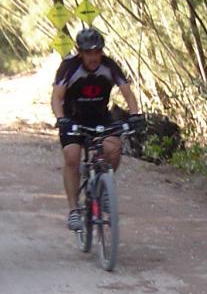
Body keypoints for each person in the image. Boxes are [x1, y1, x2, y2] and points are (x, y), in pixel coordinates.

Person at [51, 27, 144, 231]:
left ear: (102, 51)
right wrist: (61, 118)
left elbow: (127, 93)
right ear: (79, 51)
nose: (93, 57)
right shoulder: (69, 67)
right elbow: (56, 97)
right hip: (72, 118)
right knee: (72, 156)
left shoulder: (109, 66)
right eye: (88, 53)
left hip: (100, 116)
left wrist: (135, 115)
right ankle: (74, 210)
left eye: (97, 52)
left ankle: (104, 188)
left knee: (114, 149)